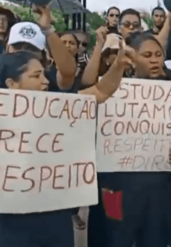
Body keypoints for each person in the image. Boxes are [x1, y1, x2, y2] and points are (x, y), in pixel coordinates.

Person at [0, 43, 132, 247]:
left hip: (54, 214)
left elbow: (100, 92)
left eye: (44, 74)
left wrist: (119, 66)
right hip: (8, 221)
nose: (45, 81)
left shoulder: (58, 108)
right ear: (12, 83)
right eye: (36, 76)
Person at [102, 32, 171, 247]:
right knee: (118, 239)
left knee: (155, 240)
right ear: (132, 59)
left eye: (158, 54)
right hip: (118, 187)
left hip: (159, 189)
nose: (154, 60)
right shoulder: (112, 90)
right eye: (147, 55)